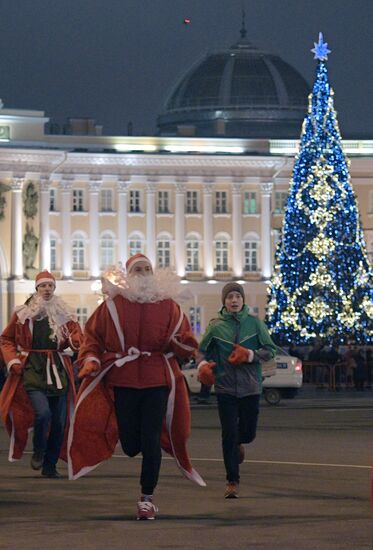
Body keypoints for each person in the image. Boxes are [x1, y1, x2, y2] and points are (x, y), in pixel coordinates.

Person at [68, 254, 205, 521]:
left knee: (151, 438)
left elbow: (181, 338)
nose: (143, 273)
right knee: (131, 444)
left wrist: (185, 345)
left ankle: (146, 498)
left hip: (157, 381)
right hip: (124, 379)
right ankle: (138, 448)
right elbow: (92, 337)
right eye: (137, 270)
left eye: (147, 269)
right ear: (129, 275)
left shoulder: (169, 306)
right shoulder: (112, 306)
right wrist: (91, 358)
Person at [197, 282, 276, 499]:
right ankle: (232, 480)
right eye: (230, 297)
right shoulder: (216, 326)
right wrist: (202, 366)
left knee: (248, 433)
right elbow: (202, 351)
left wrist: (250, 355)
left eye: (237, 297)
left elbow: (270, 350)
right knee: (228, 434)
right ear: (224, 301)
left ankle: (241, 442)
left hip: (250, 387)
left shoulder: (255, 324)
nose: (234, 300)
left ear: (243, 300)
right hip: (225, 388)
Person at [0, 271, 82, 477]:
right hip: (33, 368)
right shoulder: (23, 314)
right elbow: (6, 339)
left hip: (58, 369)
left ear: (54, 289)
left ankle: (50, 465)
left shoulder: (64, 314)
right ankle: (38, 450)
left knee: (59, 421)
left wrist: (76, 341)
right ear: (36, 289)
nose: (47, 289)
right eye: (43, 286)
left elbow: (78, 337)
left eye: (50, 286)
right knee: (43, 413)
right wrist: (13, 360)